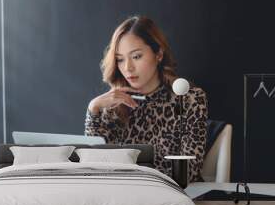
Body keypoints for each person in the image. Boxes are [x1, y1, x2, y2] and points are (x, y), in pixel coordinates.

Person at [85, 15, 208, 182]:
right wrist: (94, 109)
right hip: (123, 195)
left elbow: (189, 171)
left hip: (172, 196)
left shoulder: (189, 99)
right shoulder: (113, 103)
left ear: (158, 54)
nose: (127, 67)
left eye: (136, 56)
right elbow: (95, 166)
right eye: (120, 59)